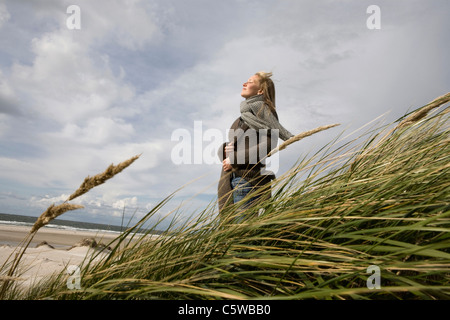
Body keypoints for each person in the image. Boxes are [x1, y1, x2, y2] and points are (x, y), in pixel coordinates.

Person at [217, 71, 294, 220]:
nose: (244, 83)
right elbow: (238, 143)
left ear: (260, 91)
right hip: (232, 178)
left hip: (247, 181)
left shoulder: (262, 110)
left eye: (250, 81)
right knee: (232, 233)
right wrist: (225, 151)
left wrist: (234, 159)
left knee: (242, 233)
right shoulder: (243, 115)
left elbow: (269, 144)